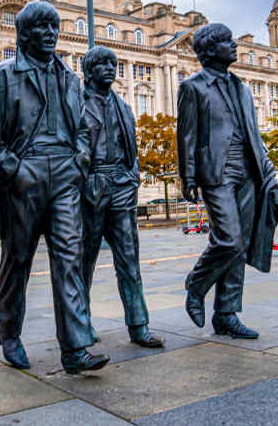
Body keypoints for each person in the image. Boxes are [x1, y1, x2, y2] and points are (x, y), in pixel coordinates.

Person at [0, 1, 110, 374]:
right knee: (18, 261)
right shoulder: (2, 75)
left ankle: (74, 349)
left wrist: (80, 160)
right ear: (23, 33)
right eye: (42, 27)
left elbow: (81, 129)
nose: (51, 34)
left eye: (54, 27)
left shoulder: (70, 78)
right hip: (23, 176)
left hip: (64, 174)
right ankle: (9, 334)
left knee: (69, 259)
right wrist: (11, 168)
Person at [177, 23, 278, 339]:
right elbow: (186, 135)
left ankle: (226, 314)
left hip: (248, 171)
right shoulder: (193, 86)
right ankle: (196, 284)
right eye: (226, 41)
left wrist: (270, 175)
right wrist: (189, 175)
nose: (234, 45)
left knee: (240, 247)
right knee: (229, 240)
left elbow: (255, 135)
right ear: (210, 49)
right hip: (217, 171)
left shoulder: (241, 87)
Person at [80, 46, 164, 349]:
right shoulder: (75, 103)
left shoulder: (125, 107)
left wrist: (132, 177)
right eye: (102, 63)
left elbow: (133, 150)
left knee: (129, 261)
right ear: (88, 70)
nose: (109, 68)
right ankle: (81, 324)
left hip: (121, 187)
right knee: (83, 262)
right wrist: (84, 181)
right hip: (90, 189)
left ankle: (139, 325)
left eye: (112, 63)